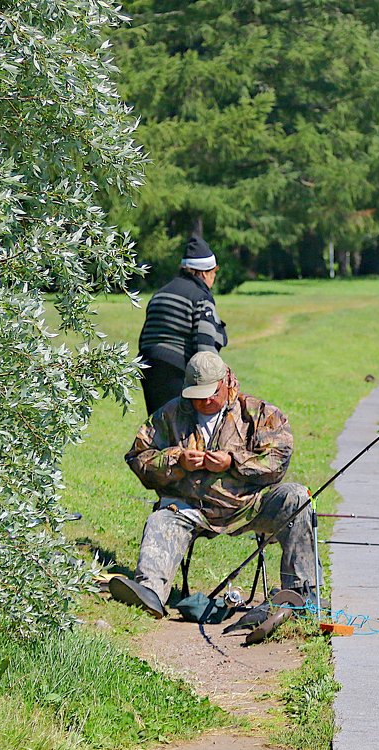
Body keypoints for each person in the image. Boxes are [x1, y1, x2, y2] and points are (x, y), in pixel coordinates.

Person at [112, 352, 318, 618]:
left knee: (297, 497)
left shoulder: (259, 413)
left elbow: (278, 460)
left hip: (249, 505)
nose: (206, 400)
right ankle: (149, 592)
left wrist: (233, 461)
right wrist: (176, 460)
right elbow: (138, 458)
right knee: (160, 520)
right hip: (188, 508)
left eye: (211, 393)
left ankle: (302, 597)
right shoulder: (170, 414)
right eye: (198, 395)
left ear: (226, 382)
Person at [137, 233, 228, 415]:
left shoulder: (160, 293)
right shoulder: (201, 297)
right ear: (204, 272)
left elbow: (145, 337)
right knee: (182, 428)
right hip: (177, 369)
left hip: (148, 366)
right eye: (214, 273)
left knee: (160, 424)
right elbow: (205, 349)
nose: (214, 278)